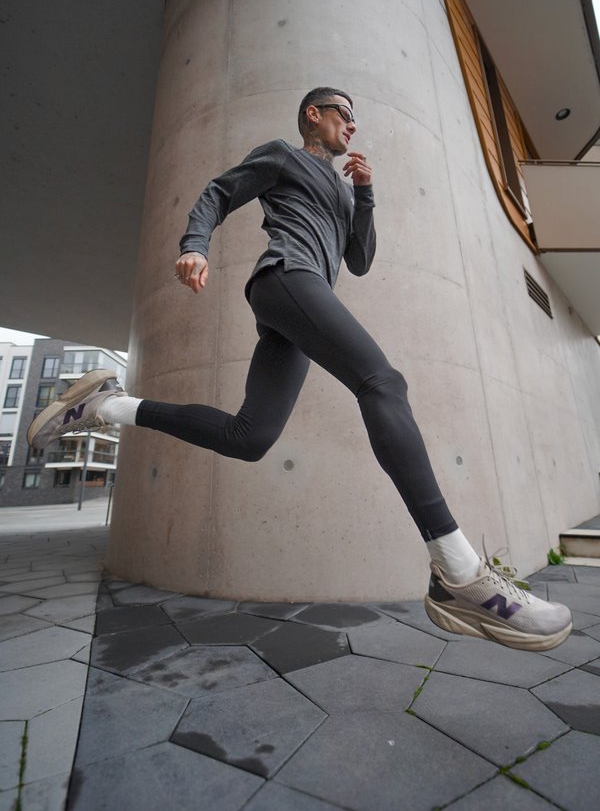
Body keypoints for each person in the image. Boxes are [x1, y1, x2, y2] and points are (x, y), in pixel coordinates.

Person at [28, 87, 572, 651]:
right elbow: (219, 191)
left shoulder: (342, 188)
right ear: (314, 115)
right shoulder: (284, 156)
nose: (353, 126)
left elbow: (358, 261)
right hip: (286, 276)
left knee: (251, 436)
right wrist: (195, 245)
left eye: (356, 119)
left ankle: (108, 404)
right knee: (383, 382)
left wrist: (364, 194)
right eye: (345, 114)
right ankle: (458, 571)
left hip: (300, 302)